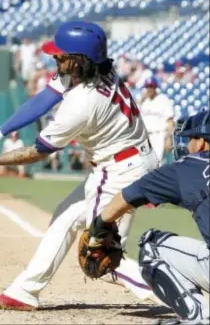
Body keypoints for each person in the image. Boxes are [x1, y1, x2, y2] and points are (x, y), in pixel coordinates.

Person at [0, 20, 159, 310]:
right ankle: (25, 292)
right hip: (119, 163)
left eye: (61, 56)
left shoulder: (82, 104)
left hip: (122, 171)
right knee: (68, 219)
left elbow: (39, 151)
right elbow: (44, 98)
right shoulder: (94, 70)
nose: (54, 59)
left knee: (101, 255)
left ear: (78, 61)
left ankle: (183, 294)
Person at [88, 111, 209, 324]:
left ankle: (198, 318)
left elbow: (125, 198)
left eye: (191, 138)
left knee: (151, 245)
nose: (188, 144)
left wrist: (100, 228)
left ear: (201, 143)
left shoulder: (187, 169)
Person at [138, 77, 175, 164]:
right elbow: (135, 114)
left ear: (155, 87)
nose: (149, 89)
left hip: (159, 135)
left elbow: (170, 120)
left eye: (151, 86)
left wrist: (169, 138)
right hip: (146, 136)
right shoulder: (144, 100)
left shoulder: (163, 99)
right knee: (145, 163)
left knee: (158, 162)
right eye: (147, 86)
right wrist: (141, 100)